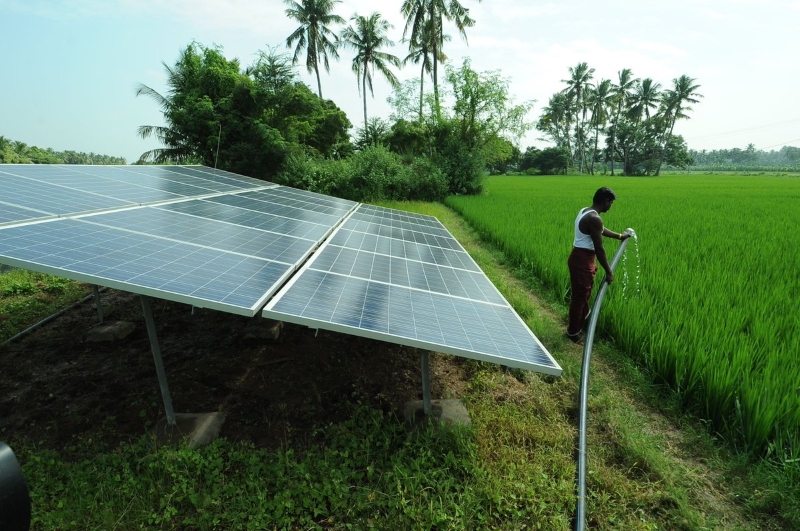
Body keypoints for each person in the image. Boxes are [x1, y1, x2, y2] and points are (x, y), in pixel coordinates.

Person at [566, 187, 630, 343]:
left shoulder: (586, 211)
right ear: (605, 201)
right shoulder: (595, 218)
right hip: (582, 260)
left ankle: (580, 320)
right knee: (579, 298)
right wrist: (609, 271)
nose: (611, 206)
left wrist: (619, 236)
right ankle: (573, 333)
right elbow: (599, 249)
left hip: (579, 258)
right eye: (611, 203)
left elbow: (599, 230)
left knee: (582, 296)